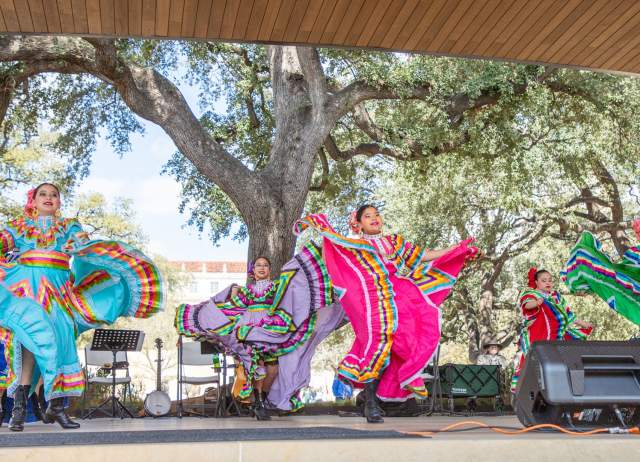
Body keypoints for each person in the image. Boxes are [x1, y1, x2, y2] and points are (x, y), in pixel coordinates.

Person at [0, 183, 164, 431]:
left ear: (59, 203)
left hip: (59, 291)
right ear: (32, 201)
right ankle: (19, 410)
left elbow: (83, 245)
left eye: (54, 195)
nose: (48, 198)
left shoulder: (68, 226)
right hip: (27, 288)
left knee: (62, 341)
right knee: (30, 342)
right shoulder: (19, 226)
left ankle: (56, 407)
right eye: (42, 194)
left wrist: (77, 247)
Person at [294, 206, 478, 423]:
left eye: (376, 215)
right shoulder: (355, 246)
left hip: (398, 294)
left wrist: (456, 248)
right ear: (359, 223)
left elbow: (423, 256)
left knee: (411, 336)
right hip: (370, 298)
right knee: (376, 343)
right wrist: (327, 237)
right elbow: (334, 259)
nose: (374, 218)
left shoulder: (394, 242)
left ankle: (386, 390)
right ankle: (370, 401)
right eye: (367, 216)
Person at [176, 244, 344, 420]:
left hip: (271, 328)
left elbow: (296, 294)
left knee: (273, 369)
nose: (262, 268)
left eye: (265, 265)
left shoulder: (278, 287)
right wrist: (214, 309)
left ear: (270, 270)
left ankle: (262, 399)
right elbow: (232, 307)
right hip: (249, 329)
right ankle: (257, 403)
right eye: (258, 265)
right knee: (259, 366)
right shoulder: (246, 291)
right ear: (253, 270)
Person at [511, 268, 592, 393]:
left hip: (555, 336)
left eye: (550, 280)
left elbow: (568, 314)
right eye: (544, 280)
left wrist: (584, 324)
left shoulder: (555, 297)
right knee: (534, 362)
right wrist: (537, 303)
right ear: (536, 282)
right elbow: (527, 305)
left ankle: (561, 393)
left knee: (559, 362)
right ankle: (527, 392)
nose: (548, 283)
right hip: (538, 334)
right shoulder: (530, 294)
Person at [562, 220, 640, 326]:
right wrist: (590, 285)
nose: (638, 235)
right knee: (584, 256)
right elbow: (621, 274)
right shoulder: (636, 253)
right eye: (637, 233)